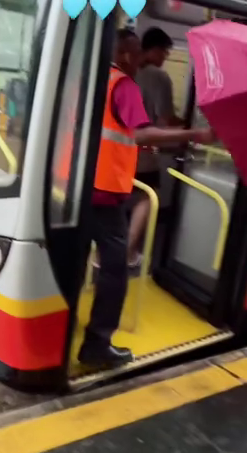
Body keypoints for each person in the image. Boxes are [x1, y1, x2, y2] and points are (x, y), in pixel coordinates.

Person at [78, 28, 215, 370]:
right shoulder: (124, 85)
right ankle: (97, 343)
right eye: (137, 54)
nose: (140, 61)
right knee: (114, 272)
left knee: (72, 261)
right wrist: (195, 134)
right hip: (105, 194)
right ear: (126, 54)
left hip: (76, 188)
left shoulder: (91, 79)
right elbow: (140, 133)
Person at [127, 26, 181, 266]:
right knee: (148, 196)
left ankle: (103, 252)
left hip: (118, 146)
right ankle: (128, 252)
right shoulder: (158, 77)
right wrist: (187, 127)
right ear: (154, 50)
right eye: (164, 52)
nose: (164, 58)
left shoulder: (127, 72)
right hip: (142, 148)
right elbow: (164, 118)